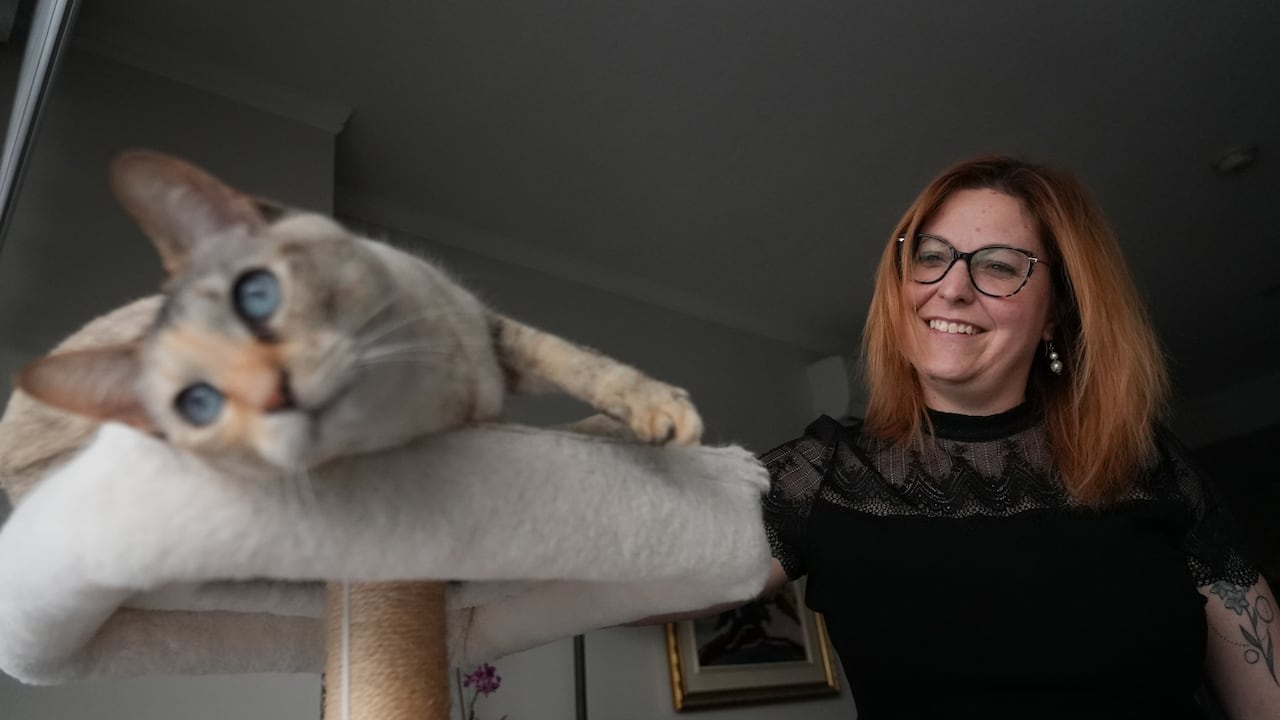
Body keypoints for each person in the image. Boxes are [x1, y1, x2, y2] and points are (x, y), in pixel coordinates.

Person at [753, 156, 1278, 718]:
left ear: (1057, 310)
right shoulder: (823, 477)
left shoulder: (1149, 467)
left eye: (1000, 267)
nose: (951, 287)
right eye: (930, 256)